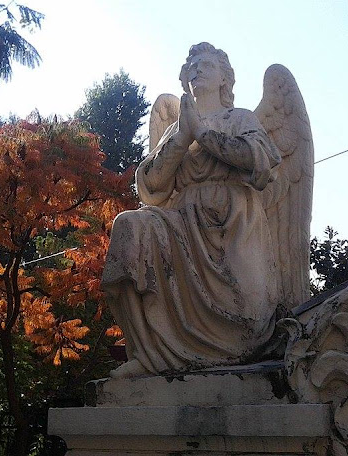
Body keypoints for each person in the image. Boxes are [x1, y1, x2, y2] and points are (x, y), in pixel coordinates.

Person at [101, 42, 282, 378]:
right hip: (182, 222)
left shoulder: (239, 118)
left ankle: (237, 345)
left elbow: (261, 160)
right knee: (130, 225)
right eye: (191, 66)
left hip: (233, 223)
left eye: (205, 65)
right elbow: (151, 186)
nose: (196, 70)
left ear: (224, 78)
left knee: (247, 309)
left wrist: (203, 134)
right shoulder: (176, 128)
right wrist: (183, 137)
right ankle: (150, 354)